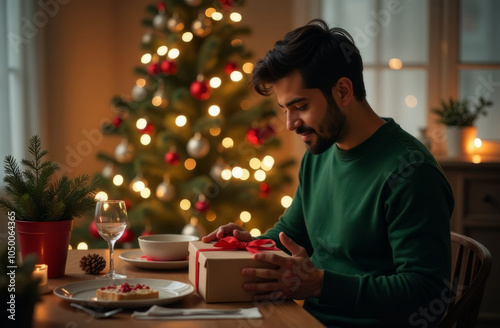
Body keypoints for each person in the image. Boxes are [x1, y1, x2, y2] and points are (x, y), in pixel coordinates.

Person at [203, 19, 454, 328]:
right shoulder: (319, 154)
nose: (290, 124)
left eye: (300, 106)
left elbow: (428, 294)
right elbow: (292, 236)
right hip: (304, 320)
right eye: (285, 109)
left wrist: (321, 284)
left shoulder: (412, 172)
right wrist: (249, 246)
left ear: (343, 91)